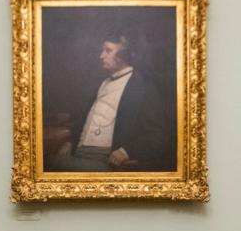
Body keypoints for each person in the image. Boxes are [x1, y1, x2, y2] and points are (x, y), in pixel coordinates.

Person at [46, 32, 174, 172]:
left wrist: (126, 151)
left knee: (47, 163)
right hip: (78, 152)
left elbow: (159, 135)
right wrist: (71, 142)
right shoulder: (103, 83)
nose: (101, 56)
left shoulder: (143, 87)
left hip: (105, 160)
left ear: (124, 55)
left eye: (108, 51)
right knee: (50, 160)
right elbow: (85, 119)